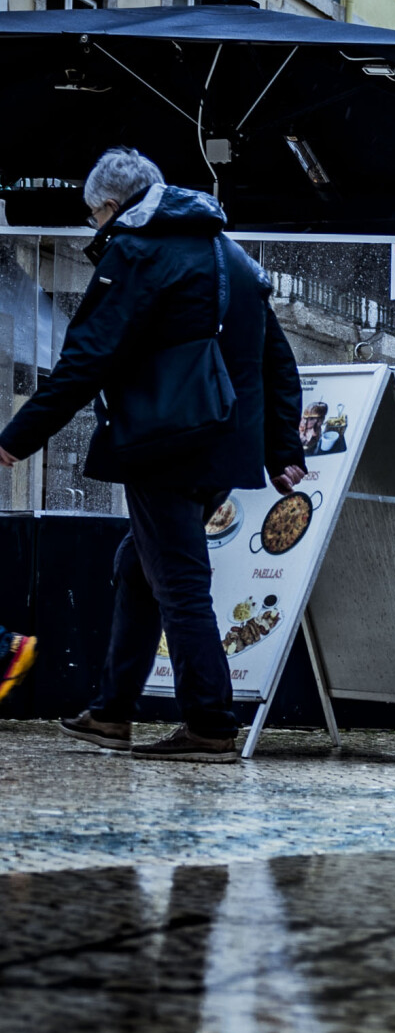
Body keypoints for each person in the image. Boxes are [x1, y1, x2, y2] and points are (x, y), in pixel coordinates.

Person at [0, 149, 305, 762]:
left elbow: (86, 360)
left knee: (181, 583)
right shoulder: (235, 258)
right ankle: (112, 712)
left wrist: (16, 437)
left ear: (112, 207)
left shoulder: (136, 254)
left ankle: (211, 725)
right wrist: (281, 448)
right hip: (223, 448)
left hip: (165, 444)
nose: (95, 229)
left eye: (95, 217)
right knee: (140, 562)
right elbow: (277, 360)